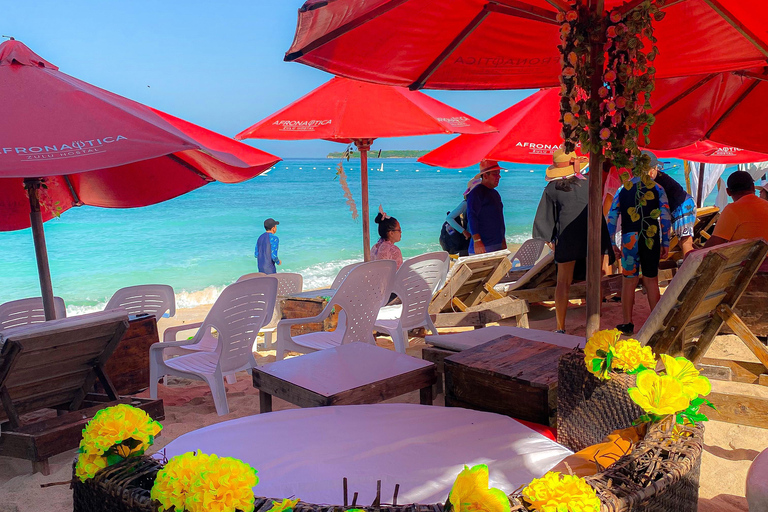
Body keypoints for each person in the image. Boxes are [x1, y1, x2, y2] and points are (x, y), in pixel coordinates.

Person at [533, 147, 614, 333]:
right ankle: (596, 321)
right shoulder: (589, 183)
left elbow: (544, 222)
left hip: (568, 238)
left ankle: (560, 327)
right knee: (595, 279)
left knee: (563, 282)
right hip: (594, 235)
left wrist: (551, 243)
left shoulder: (552, 189)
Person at [607, 154, 672, 335]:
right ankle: (656, 321)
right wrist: (665, 241)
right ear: (651, 170)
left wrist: (612, 243)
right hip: (650, 238)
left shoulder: (622, 189)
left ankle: (627, 323)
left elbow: (611, 218)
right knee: (651, 279)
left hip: (629, 239)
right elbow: (665, 218)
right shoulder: (657, 188)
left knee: (628, 281)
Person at [643, 151, 697, 257]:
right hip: (683, 205)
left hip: (681, 206)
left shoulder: (657, 180)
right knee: (684, 241)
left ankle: (692, 266)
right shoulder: (656, 179)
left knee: (685, 241)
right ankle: (691, 263)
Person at [704, 171, 768, 252]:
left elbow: (715, 243)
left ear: (728, 192)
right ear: (753, 187)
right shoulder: (766, 205)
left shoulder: (732, 210)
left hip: (746, 263)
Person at [467, 160, 506, 254]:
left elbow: (499, 219)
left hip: (497, 244)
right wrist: (477, 241)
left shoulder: (495, 194)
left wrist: (503, 239)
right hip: (483, 247)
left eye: (499, 173)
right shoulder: (476, 193)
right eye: (495, 174)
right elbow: (472, 217)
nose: (499, 177)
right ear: (485, 176)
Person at [440, 175, 481, 256]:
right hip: (469, 240)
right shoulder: (466, 203)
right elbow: (449, 218)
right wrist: (464, 232)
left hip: (479, 238)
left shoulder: (481, 203)